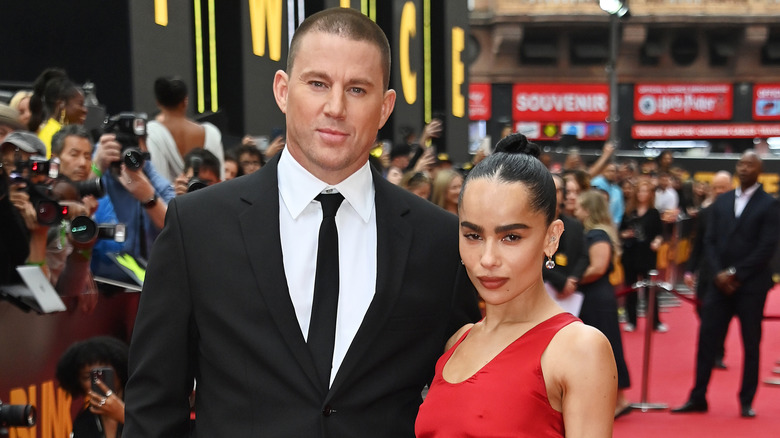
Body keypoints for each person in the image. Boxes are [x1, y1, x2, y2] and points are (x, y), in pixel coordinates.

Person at [123, 8, 480, 437]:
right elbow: (153, 405)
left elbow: (464, 401)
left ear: (385, 108)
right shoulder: (197, 227)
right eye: (318, 83)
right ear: (282, 90)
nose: (335, 107)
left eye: (358, 89)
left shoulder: (438, 240)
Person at [415, 134, 616, 437]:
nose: (488, 259)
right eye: (473, 236)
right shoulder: (457, 340)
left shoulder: (580, 349)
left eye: (511, 237)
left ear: (552, 237)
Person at [672, 151, 780, 418]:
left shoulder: (770, 204)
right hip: (718, 286)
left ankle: (746, 400)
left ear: (759, 169)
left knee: (751, 344)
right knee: (707, 340)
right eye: (741, 164)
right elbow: (709, 240)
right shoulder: (722, 203)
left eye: (749, 165)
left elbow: (766, 247)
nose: (743, 168)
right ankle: (698, 397)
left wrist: (735, 273)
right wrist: (720, 273)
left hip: (751, 285)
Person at [574, 190, 633, 418]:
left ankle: (619, 399)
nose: (575, 209)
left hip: (598, 297)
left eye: (579, 206)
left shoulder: (598, 234)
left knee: (608, 348)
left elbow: (598, 267)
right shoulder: (592, 233)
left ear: (588, 210)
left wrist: (572, 279)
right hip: (593, 296)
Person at [684, 170, 732, 370]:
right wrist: (689, 270)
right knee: (701, 310)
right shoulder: (705, 213)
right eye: (716, 187)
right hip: (705, 271)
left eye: (723, 187)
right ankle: (707, 350)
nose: (719, 191)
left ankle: (718, 353)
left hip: (725, 272)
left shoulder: (736, 213)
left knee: (722, 315)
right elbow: (698, 245)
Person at [146, 76, 224, 183]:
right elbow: (221, 178)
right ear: (185, 101)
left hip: (169, 199)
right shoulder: (211, 133)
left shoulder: (152, 132)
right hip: (210, 198)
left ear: (158, 102)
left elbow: (157, 181)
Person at [56, 336, 129, 438]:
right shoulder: (83, 423)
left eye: (103, 374)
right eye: (87, 377)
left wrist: (123, 415)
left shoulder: (141, 403)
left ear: (119, 371)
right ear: (78, 383)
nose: (98, 381)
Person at [619, 179, 665, 333]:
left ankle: (655, 322)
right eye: (639, 191)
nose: (642, 194)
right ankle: (632, 320)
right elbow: (621, 231)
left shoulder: (654, 212)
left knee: (650, 291)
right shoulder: (629, 212)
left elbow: (660, 233)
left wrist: (657, 241)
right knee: (631, 289)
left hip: (648, 255)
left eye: (645, 191)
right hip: (630, 254)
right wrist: (626, 234)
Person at [543, 174, 586, 305]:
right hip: (539, 287)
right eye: (549, 189)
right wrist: (561, 281)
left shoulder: (575, 225)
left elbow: (584, 256)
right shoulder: (532, 223)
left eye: (557, 190)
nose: (553, 194)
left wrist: (572, 280)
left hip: (570, 292)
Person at [28, 68, 87, 156]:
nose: (85, 110)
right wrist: (96, 167)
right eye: (80, 104)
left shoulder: (56, 132)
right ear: (61, 105)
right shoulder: (53, 135)